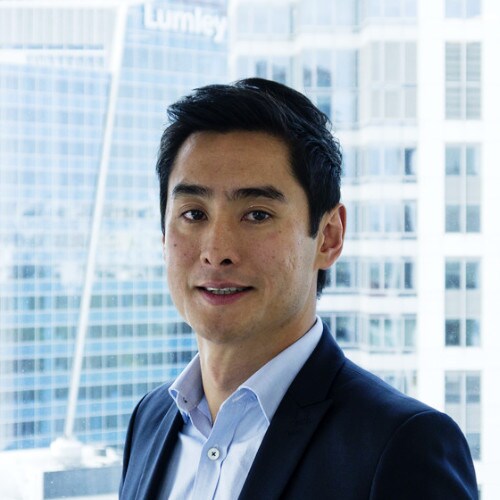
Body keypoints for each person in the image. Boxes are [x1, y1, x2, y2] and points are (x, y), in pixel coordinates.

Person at [119, 78, 478, 499]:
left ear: (328, 237)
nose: (216, 252)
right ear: (164, 235)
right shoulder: (150, 420)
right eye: (194, 214)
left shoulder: (403, 446)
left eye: (257, 214)